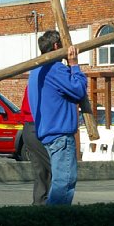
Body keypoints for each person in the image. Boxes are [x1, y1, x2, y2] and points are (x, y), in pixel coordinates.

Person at [29, 30, 87, 206]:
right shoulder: (55, 69)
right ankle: (55, 224)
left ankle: (53, 222)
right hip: (60, 133)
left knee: (60, 180)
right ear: (56, 47)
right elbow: (79, 89)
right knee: (64, 182)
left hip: (47, 132)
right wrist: (74, 65)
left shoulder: (36, 70)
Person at [20, 86, 51, 205]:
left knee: (40, 171)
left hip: (29, 127)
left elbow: (23, 110)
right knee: (57, 170)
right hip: (39, 127)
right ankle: (53, 205)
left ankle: (39, 203)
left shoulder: (31, 84)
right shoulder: (47, 84)